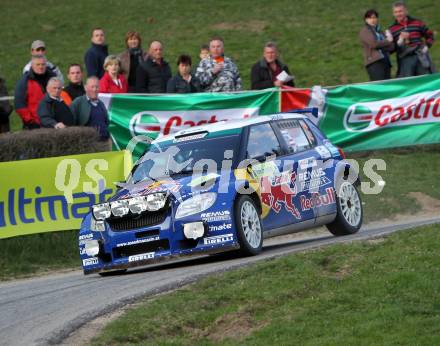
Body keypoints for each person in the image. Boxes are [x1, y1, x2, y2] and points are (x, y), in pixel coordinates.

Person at [388, 1, 435, 77]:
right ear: (393, 14)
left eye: (400, 11)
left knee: (423, 80)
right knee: (408, 83)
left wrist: (426, 46)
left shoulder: (417, 23)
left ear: (406, 11)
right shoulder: (392, 29)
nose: (398, 14)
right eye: (396, 12)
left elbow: (430, 35)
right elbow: (391, 49)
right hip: (405, 60)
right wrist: (399, 41)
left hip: (419, 57)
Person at [14, 55, 55, 129]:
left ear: (46, 64)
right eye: (38, 64)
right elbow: (19, 105)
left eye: (43, 64)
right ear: (32, 65)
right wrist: (31, 122)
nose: (41, 67)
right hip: (34, 125)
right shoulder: (24, 82)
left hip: (54, 123)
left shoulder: (53, 78)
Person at [359, 9, 394, 81]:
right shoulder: (365, 31)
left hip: (385, 61)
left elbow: (391, 47)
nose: (372, 20)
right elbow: (374, 44)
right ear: (366, 20)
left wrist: (390, 38)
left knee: (387, 85)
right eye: (369, 18)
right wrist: (388, 40)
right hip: (374, 62)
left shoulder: (380, 32)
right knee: (379, 85)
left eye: (374, 17)